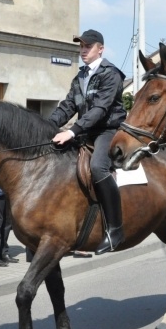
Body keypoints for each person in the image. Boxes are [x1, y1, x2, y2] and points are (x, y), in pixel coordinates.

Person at [49, 29, 127, 254]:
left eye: (88, 46)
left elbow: (100, 109)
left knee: (97, 167)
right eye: (81, 46)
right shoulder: (81, 76)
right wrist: (46, 126)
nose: (83, 50)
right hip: (86, 131)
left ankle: (115, 229)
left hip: (108, 130)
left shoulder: (111, 74)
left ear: (100, 49)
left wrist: (72, 132)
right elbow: (68, 106)